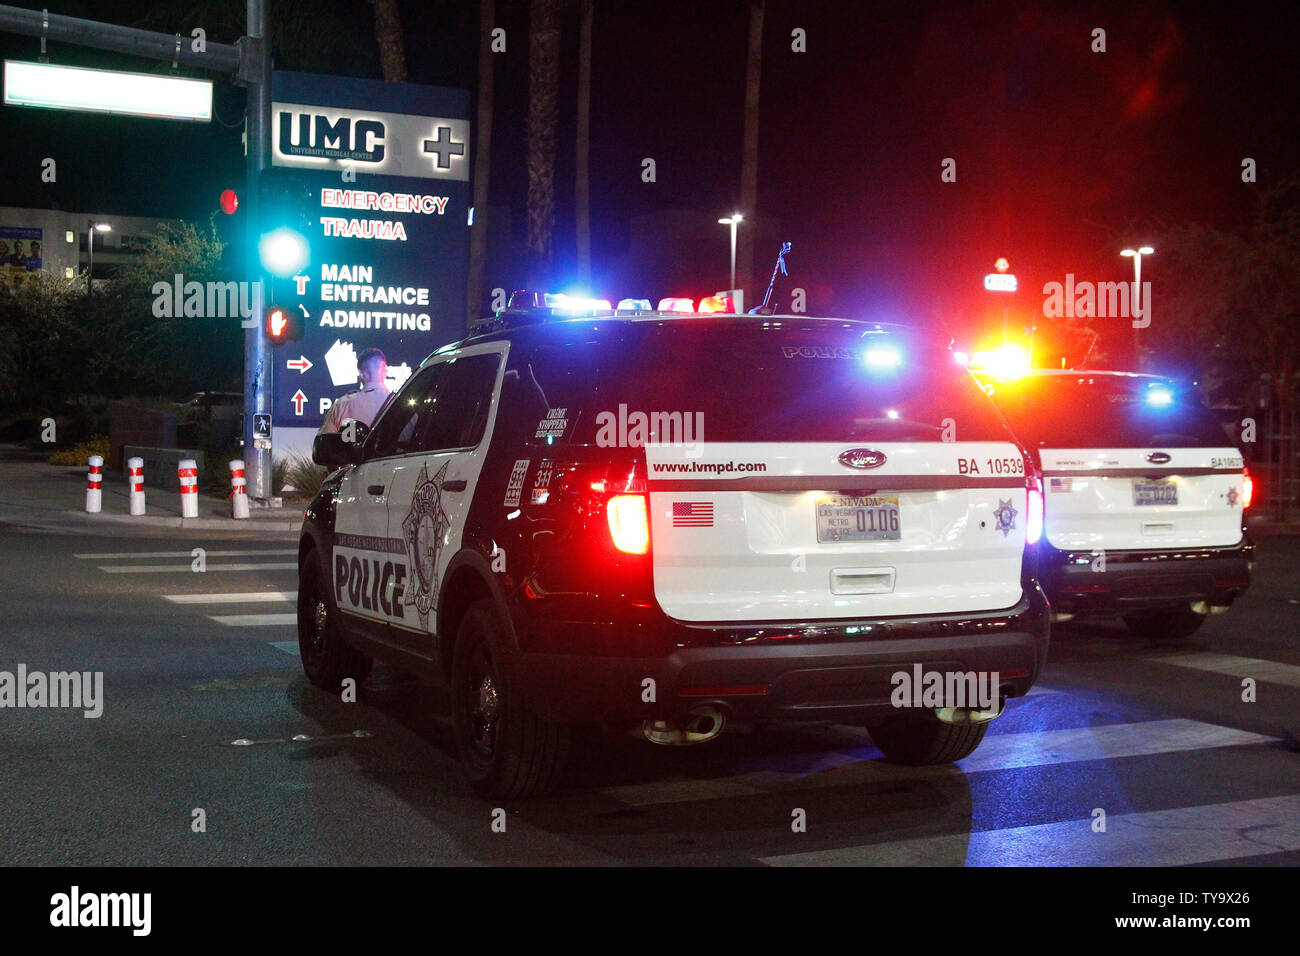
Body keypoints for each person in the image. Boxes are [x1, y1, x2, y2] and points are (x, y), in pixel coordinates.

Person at [319, 347, 391, 434]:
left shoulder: (342, 405)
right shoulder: (400, 405)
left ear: (361, 374)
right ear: (385, 372)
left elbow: (325, 441)